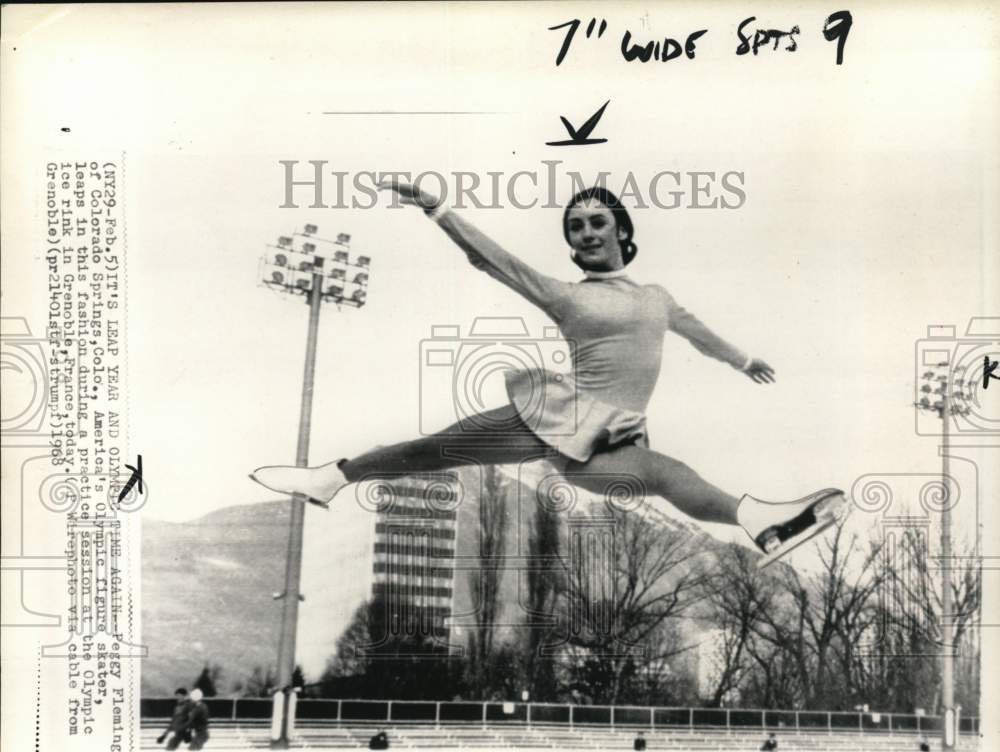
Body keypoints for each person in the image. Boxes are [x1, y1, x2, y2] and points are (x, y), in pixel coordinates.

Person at [251, 182, 843, 563]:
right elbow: (496, 261)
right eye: (575, 228)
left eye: (595, 222)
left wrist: (742, 360)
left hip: (614, 438)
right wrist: (438, 209)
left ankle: (763, 525)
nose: (585, 233)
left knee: (665, 472)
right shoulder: (565, 295)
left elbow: (699, 334)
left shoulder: (657, 297)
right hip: (560, 418)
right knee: (435, 450)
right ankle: (332, 476)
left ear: (621, 231)